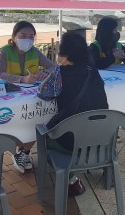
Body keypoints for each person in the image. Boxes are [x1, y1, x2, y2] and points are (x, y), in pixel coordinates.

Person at [46, 32, 109, 196]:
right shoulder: (92, 70)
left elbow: (44, 94)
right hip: (100, 139)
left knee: (45, 137)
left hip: (71, 141)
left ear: (64, 54)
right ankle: (107, 169)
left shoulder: (59, 73)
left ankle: (72, 179)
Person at [0, 21, 54, 172]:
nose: (28, 39)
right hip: (9, 96)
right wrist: (22, 79)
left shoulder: (35, 52)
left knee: (40, 117)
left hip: (29, 96)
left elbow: (53, 67)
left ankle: (23, 151)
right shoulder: (4, 51)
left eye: (31, 36)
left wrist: (45, 73)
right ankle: (18, 150)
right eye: (23, 36)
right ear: (14, 37)